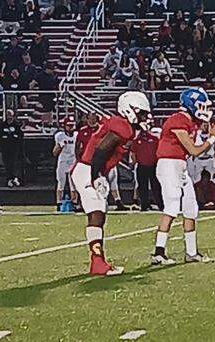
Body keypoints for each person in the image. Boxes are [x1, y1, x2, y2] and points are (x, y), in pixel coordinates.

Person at [70, 92, 149, 276]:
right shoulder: (122, 127)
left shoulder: (125, 126)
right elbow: (101, 151)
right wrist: (96, 176)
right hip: (88, 169)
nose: (145, 117)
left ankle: (98, 261)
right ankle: (97, 263)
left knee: (99, 214)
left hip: (90, 169)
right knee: (97, 214)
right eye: (142, 113)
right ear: (130, 111)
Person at [150, 88, 215, 265]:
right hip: (169, 165)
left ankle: (191, 252)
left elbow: (193, 150)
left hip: (179, 166)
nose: (205, 110)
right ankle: (158, 253)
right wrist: (213, 137)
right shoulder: (178, 119)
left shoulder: (191, 122)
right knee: (172, 207)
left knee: (191, 209)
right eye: (201, 106)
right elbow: (194, 151)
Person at [131, 124, 161, 211]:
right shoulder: (137, 140)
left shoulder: (154, 139)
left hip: (153, 165)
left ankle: (160, 204)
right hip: (142, 166)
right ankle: (144, 205)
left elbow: (158, 151)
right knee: (142, 187)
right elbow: (133, 152)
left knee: (156, 186)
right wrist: (135, 162)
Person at [53, 116, 78, 211]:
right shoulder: (60, 136)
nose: (71, 127)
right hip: (63, 162)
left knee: (74, 185)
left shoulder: (77, 135)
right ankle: (59, 203)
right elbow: (54, 153)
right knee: (61, 184)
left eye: (72, 125)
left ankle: (74, 203)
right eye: (69, 125)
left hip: (73, 162)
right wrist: (60, 145)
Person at [0, 110, 25, 187]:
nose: (9, 117)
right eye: (7, 115)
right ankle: (9, 179)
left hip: (15, 149)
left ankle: (15, 178)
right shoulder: (2, 125)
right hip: (5, 149)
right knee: (7, 164)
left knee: (15, 163)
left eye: (10, 115)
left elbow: (20, 136)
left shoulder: (16, 125)